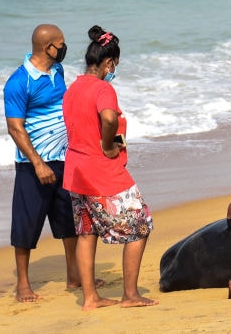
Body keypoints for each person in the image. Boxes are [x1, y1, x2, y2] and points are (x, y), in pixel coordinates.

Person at [62, 26, 158, 310]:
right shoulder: (103, 88)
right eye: (114, 65)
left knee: (87, 230)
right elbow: (108, 118)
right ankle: (130, 294)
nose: (114, 69)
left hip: (75, 170)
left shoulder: (72, 89)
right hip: (102, 170)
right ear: (108, 63)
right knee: (140, 224)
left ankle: (90, 297)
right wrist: (107, 145)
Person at [3, 23, 80, 303]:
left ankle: (74, 275)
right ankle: (22, 284)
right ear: (48, 47)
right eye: (61, 43)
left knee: (69, 222)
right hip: (33, 165)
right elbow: (15, 128)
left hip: (63, 157)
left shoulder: (57, 71)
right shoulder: (18, 81)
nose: (64, 47)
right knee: (26, 224)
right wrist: (37, 163)